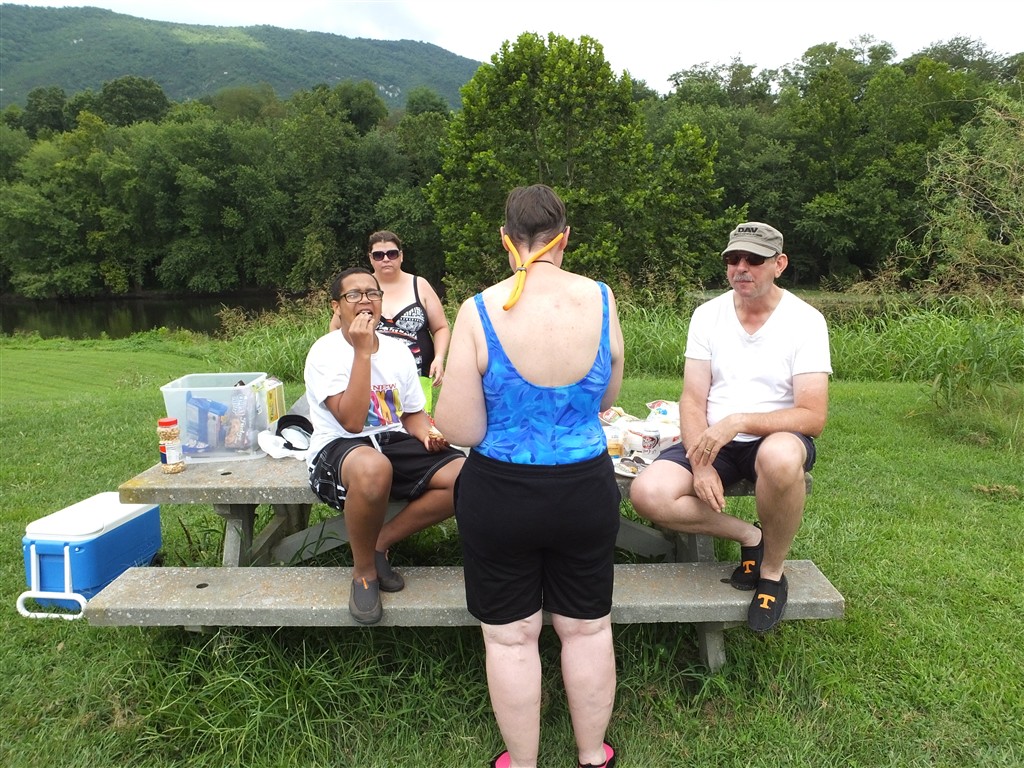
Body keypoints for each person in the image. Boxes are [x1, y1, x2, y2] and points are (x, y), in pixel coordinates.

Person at [434, 185, 624, 768]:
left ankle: (523, 762)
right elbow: (605, 397)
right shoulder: (602, 298)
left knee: (510, 636)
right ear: (564, 238)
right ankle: (592, 754)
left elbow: (461, 428)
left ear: (505, 240)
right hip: (585, 490)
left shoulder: (480, 309)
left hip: (502, 494)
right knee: (587, 629)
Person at [629, 222, 831, 634]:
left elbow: (813, 416)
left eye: (754, 260)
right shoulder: (708, 315)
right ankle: (750, 536)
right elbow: (692, 399)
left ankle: (771, 572)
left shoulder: (805, 321)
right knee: (647, 493)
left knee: (779, 456)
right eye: (733, 259)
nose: (741, 267)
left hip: (775, 437)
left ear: (779, 264)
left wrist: (739, 420)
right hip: (713, 439)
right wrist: (700, 464)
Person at [305, 266, 465, 625]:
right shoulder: (325, 352)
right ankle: (364, 571)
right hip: (341, 444)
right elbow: (351, 421)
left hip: (391, 439)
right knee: (373, 467)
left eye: (372, 293)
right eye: (353, 294)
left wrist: (427, 433)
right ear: (336, 307)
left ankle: (379, 542)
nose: (365, 300)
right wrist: (362, 353)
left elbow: (411, 414)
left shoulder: (397, 351)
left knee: (467, 476)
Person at [331, 231, 451, 408]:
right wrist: (346, 360)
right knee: (378, 420)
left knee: (417, 419)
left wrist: (439, 358)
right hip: (372, 376)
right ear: (370, 258)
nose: (386, 259)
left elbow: (440, 327)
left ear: (401, 256)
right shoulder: (360, 289)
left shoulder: (419, 285)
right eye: (379, 255)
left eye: (392, 254)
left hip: (417, 375)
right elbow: (336, 328)